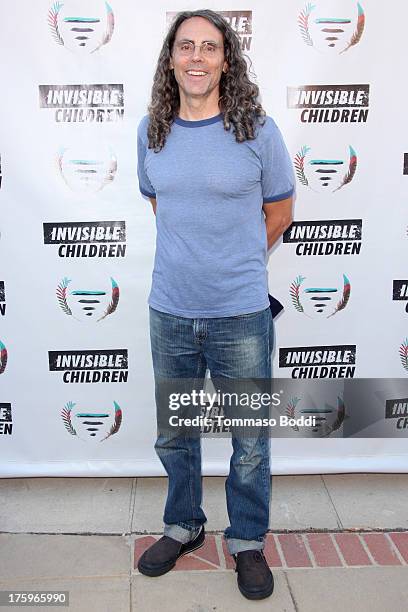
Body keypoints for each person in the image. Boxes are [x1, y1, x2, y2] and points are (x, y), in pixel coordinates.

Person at [136, 9, 294, 601]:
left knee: (249, 438)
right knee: (177, 434)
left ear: (227, 59)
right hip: (171, 310)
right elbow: (161, 203)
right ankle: (183, 526)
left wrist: (237, 261)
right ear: (171, 59)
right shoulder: (150, 130)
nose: (197, 57)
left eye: (209, 47)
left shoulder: (259, 130)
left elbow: (279, 212)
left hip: (241, 313)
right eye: (186, 46)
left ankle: (247, 540)